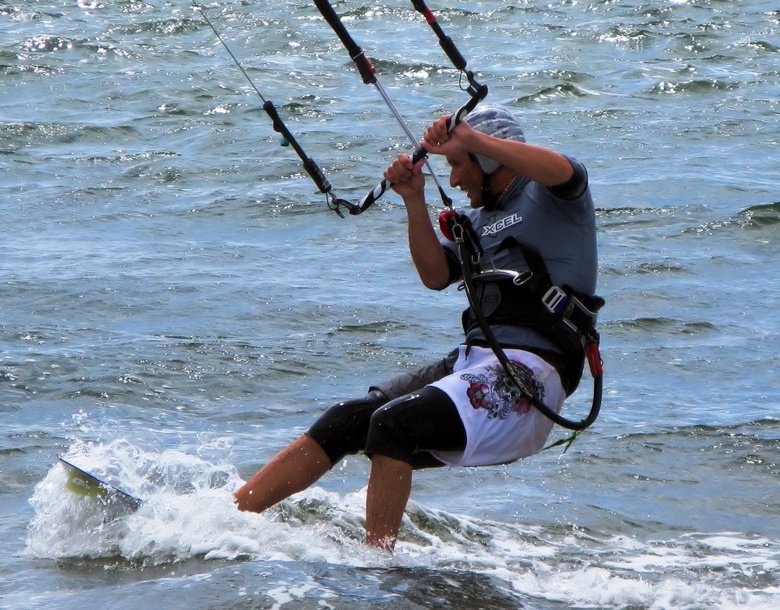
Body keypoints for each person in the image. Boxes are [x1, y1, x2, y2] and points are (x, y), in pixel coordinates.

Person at [234, 103, 601, 552]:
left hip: (534, 374)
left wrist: (472, 138)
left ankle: (377, 569)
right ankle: (229, 518)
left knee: (395, 425)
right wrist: (413, 199)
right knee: (348, 419)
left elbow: (565, 170)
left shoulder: (554, 196)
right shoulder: (476, 221)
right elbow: (435, 275)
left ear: (489, 160)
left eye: (459, 165)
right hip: (476, 361)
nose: (454, 180)